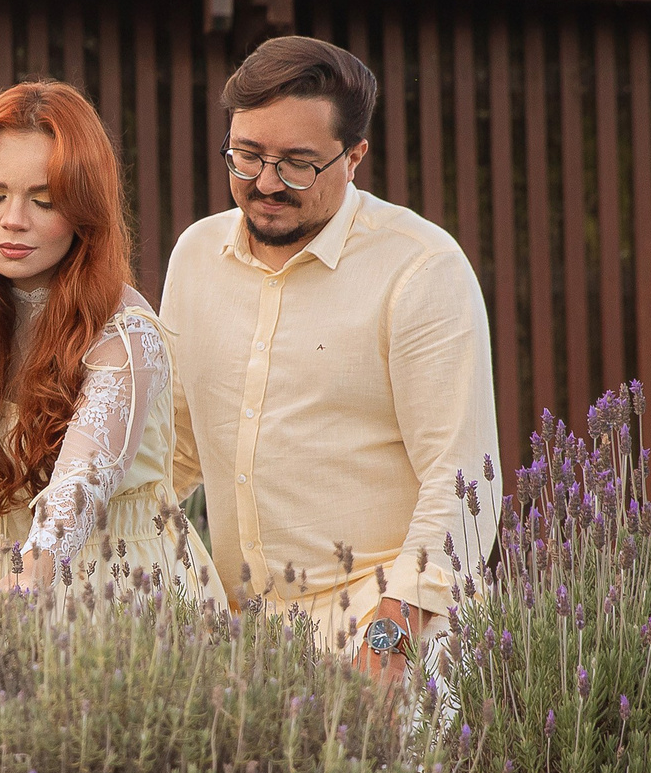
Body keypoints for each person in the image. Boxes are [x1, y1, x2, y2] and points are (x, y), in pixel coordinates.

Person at [159, 35, 501, 675]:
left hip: (389, 627)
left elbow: (464, 484)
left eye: (297, 163)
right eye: (246, 155)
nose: (265, 182)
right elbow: (171, 454)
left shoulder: (422, 270)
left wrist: (387, 650)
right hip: (236, 642)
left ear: (355, 156)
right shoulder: (194, 257)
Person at [0, 80, 224, 605]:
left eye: (43, 201)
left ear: (85, 212)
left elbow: (72, 501)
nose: (12, 221)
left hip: (113, 589)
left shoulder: (124, 333)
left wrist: (7, 609)